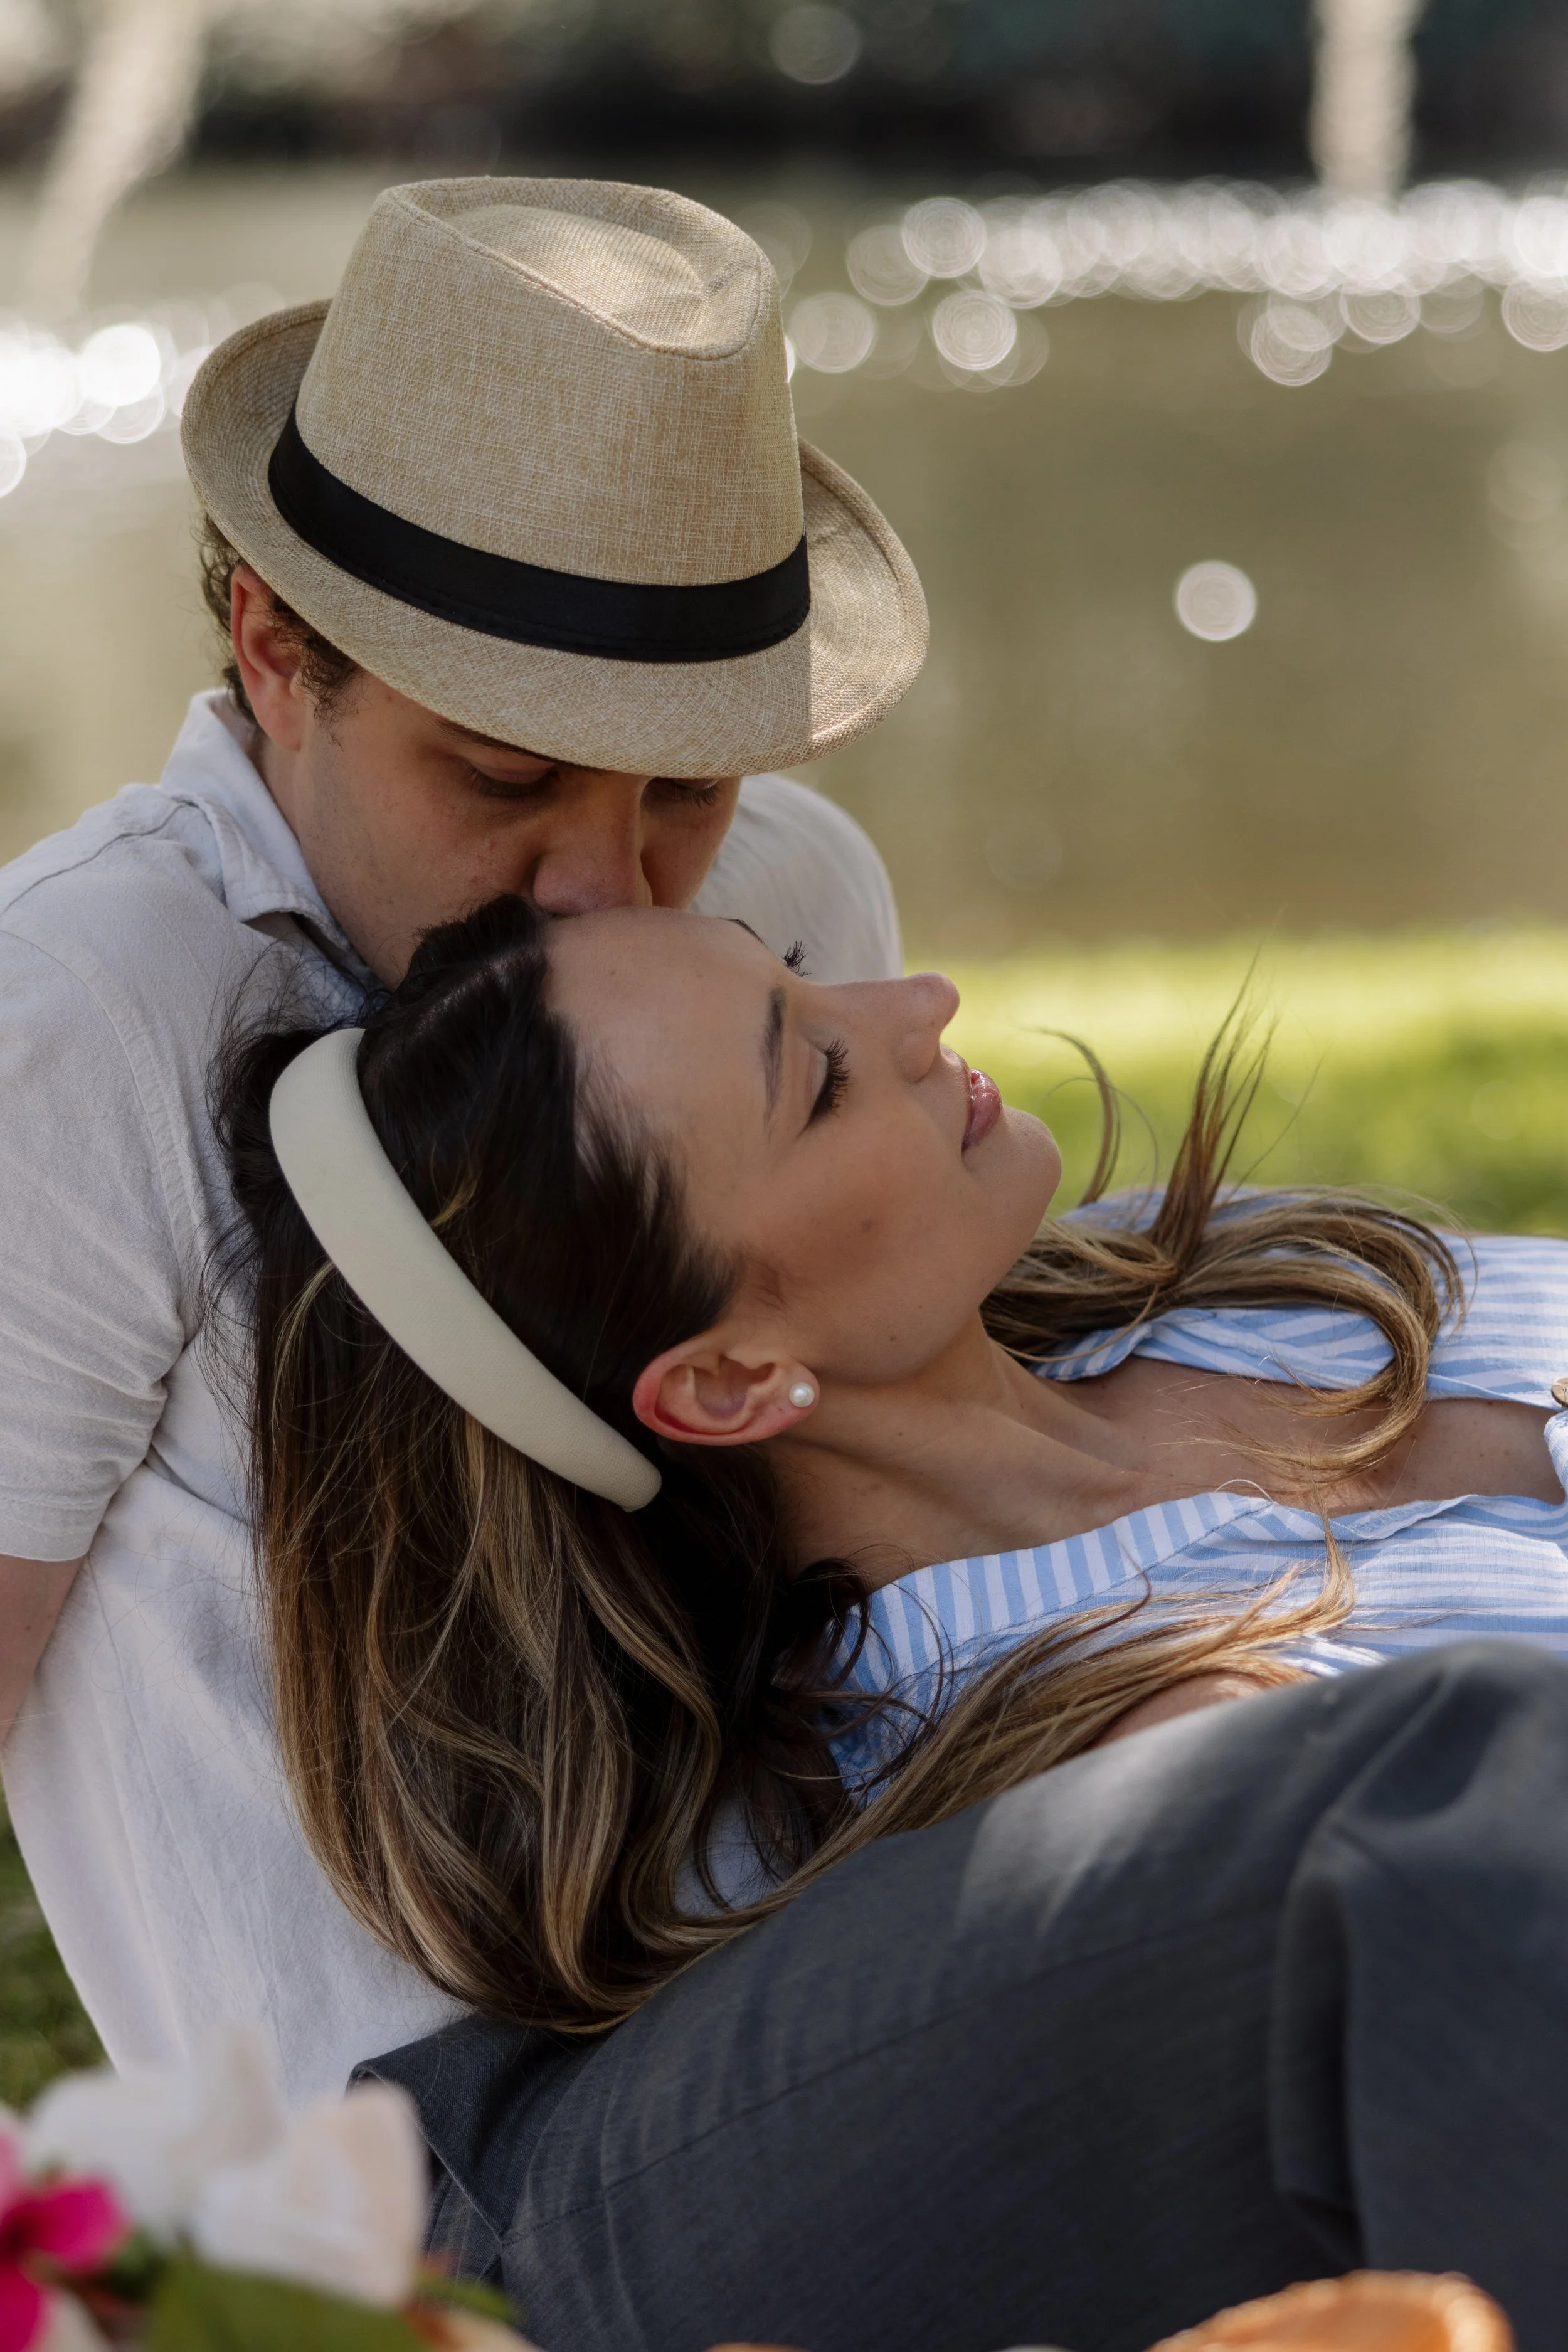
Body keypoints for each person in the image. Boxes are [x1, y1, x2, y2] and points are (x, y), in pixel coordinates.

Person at [213, 897, 1568, 2351]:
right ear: (729, 1380)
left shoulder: (1234, 1280)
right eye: (819, 1080)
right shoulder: (1078, 1737)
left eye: (799, 980)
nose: (916, 1002)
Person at [0, 176, 926, 2098]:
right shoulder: (82, 1011)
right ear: (273, 643)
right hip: (440, 2165)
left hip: (868, 1964)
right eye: (500, 774)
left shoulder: (798, 894)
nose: (605, 885)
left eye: (682, 782)